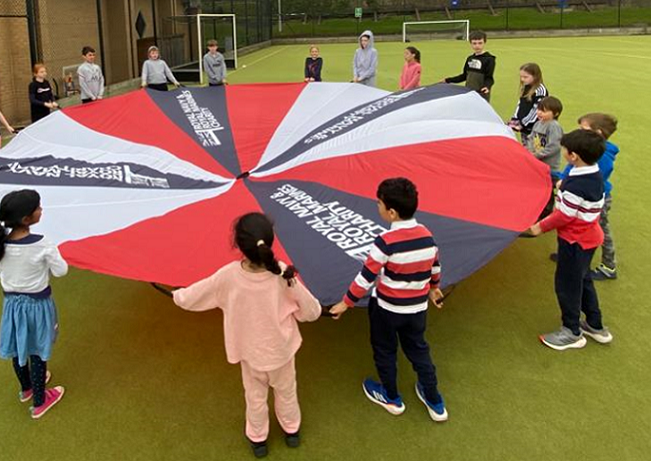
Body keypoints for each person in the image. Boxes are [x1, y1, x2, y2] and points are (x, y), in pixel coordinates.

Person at [173, 213, 322, 458]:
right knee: (286, 392)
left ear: (239, 246)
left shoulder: (229, 276)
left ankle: (258, 439)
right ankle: (291, 431)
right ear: (270, 242)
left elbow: (195, 295)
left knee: (254, 397)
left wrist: (177, 295)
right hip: (281, 353)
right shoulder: (282, 275)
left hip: (250, 355)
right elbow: (311, 311)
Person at [329, 178, 448, 423]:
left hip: (386, 310)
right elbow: (435, 268)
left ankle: (392, 397)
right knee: (418, 349)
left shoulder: (385, 242)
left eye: (379, 204)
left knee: (384, 350)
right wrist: (434, 289)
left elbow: (365, 278)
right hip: (416, 310)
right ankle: (435, 401)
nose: (377, 207)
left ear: (391, 212)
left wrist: (345, 303)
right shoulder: (428, 237)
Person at [0, 189, 68, 419]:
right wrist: (52, 254)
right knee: (38, 351)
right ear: (26, 219)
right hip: (38, 306)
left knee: (18, 346)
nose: (41, 210)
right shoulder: (42, 244)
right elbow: (61, 270)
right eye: (38, 208)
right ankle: (40, 400)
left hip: (12, 306)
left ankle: (27, 388)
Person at [525, 129, 612, 351]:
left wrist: (539, 227)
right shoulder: (591, 175)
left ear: (573, 156)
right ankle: (595, 324)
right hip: (588, 239)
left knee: (567, 286)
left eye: (565, 150)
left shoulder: (578, 184)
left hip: (575, 242)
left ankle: (572, 331)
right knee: (583, 281)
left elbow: (564, 215)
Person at [555, 113, 620, 281]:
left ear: (597, 133)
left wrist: (567, 183)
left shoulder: (603, 157)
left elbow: (593, 179)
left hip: (594, 200)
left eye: (583, 129)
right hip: (578, 193)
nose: (579, 132)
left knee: (599, 228)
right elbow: (572, 168)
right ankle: (569, 254)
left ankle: (609, 266)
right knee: (573, 222)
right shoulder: (584, 149)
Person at [529, 97, 564, 219]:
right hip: (537, 164)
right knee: (537, 187)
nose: (539, 113)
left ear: (555, 113)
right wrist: (529, 152)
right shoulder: (538, 124)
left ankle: (546, 213)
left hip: (549, 166)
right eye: (539, 110)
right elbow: (531, 138)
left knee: (547, 189)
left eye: (543, 111)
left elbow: (554, 146)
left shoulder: (553, 126)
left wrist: (536, 155)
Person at [443, 30, 495, 101]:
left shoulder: (489, 59)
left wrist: (487, 86)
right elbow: (464, 76)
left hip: (481, 94)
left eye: (480, 43)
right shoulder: (470, 58)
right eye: (474, 43)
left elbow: (489, 78)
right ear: (470, 43)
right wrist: (448, 80)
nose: (477, 46)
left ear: (484, 42)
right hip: (469, 93)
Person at [509, 63, 549, 146]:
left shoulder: (540, 91)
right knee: (526, 149)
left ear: (535, 76)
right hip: (524, 128)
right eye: (521, 77)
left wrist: (523, 123)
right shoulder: (526, 87)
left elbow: (536, 110)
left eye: (525, 77)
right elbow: (520, 104)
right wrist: (515, 118)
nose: (522, 79)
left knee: (538, 152)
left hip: (537, 128)